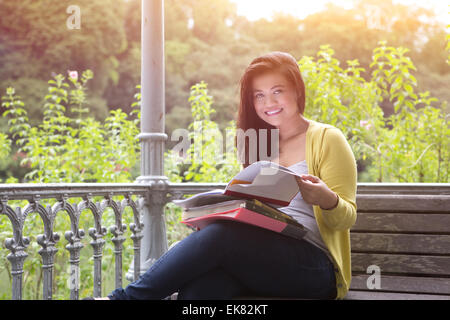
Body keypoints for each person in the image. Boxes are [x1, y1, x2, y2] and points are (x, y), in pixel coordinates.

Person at [87, 51, 357, 300]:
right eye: (259, 95)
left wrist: (327, 199)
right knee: (197, 293)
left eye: (277, 92)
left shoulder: (327, 139)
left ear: (297, 90)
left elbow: (347, 217)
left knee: (223, 236)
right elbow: (254, 209)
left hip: (314, 267)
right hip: (258, 258)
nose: (268, 103)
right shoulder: (257, 142)